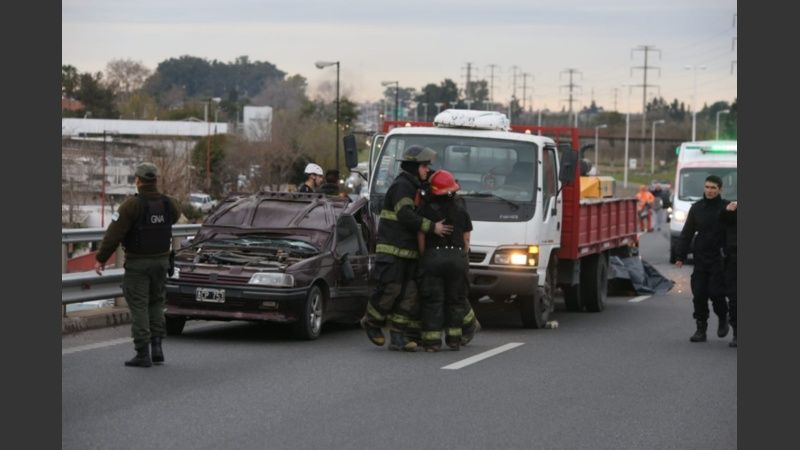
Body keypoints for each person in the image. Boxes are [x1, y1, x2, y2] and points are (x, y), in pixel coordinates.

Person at [360, 146, 453, 351]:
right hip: (393, 250)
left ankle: (398, 335)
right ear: (413, 166)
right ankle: (372, 322)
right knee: (390, 290)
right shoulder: (402, 186)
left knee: (410, 294)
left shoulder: (416, 186)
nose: (427, 170)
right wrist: (432, 227)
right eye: (424, 165)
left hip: (409, 252)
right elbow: (405, 215)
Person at [94, 162, 180, 367]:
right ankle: (157, 347)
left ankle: (143, 353)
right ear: (156, 180)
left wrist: (101, 258)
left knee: (139, 304)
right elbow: (173, 219)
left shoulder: (131, 205)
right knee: (157, 302)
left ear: (138, 181)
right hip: (161, 261)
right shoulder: (170, 203)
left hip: (138, 264)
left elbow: (114, 234)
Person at [416, 170, 473, 352]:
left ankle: (432, 343)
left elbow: (421, 237)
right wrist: (462, 258)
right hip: (457, 258)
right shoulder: (461, 211)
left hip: (433, 258)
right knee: (455, 300)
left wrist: (425, 256)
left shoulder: (425, 210)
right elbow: (466, 241)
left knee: (433, 300)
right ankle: (454, 340)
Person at [674, 175, 729, 343]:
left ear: (720, 189)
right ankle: (701, 328)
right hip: (700, 257)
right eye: (707, 187)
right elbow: (687, 233)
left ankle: (722, 317)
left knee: (716, 293)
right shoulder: (697, 208)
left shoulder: (727, 207)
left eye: (713, 188)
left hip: (719, 258)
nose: (709, 191)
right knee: (699, 294)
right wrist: (680, 255)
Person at [720, 200, 737, 347]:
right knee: (734, 297)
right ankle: (737, 332)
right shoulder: (732, 208)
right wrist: (728, 211)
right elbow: (723, 224)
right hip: (734, 259)